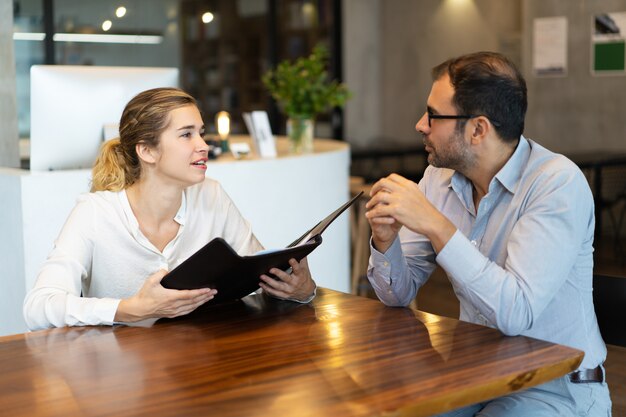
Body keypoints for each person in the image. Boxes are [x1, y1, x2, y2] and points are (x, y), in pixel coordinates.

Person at [365, 52, 612, 416]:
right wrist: (385, 241)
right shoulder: (439, 178)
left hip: (556, 387)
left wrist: (435, 224)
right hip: (477, 374)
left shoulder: (555, 184)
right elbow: (397, 295)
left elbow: (516, 311)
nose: (420, 125)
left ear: (478, 129)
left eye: (433, 115)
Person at [24, 87, 316, 330]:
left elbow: (257, 271)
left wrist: (301, 290)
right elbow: (38, 307)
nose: (203, 145)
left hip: (199, 368)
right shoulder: (95, 213)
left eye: (201, 132)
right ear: (147, 151)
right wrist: (129, 309)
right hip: (120, 380)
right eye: (186, 134)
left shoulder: (210, 195)